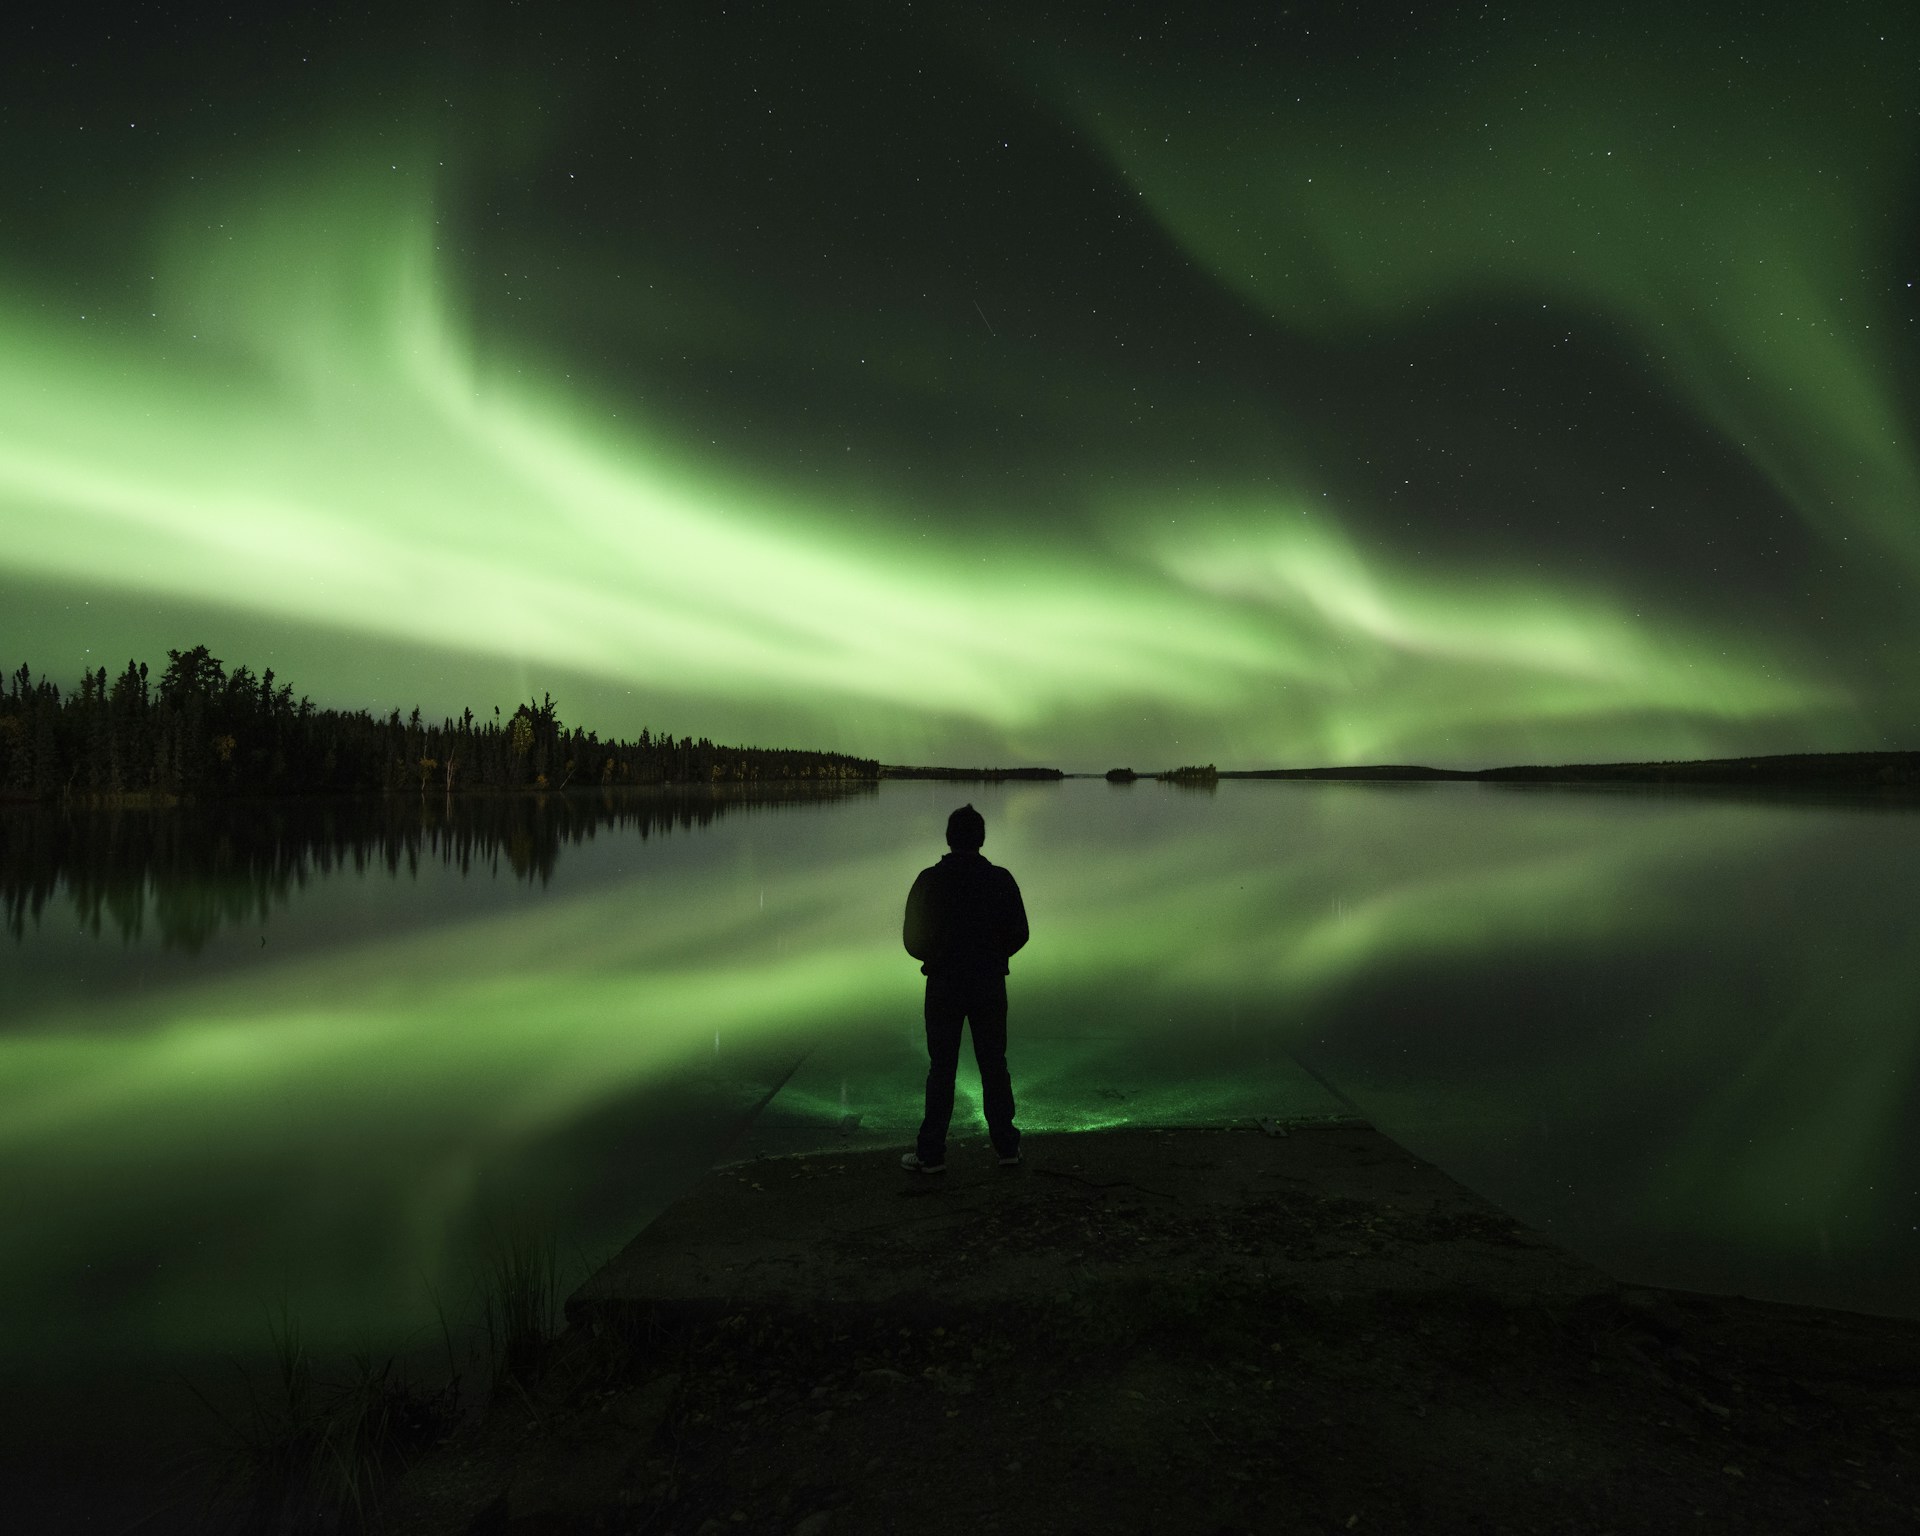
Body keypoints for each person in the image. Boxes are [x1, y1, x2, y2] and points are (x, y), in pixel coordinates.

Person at [899, 803, 1029, 1174]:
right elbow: (1020, 932)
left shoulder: (929, 879)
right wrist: (993, 955)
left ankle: (931, 1154)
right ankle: (1006, 1148)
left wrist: (936, 957)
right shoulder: (1000, 879)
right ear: (982, 839)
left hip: (943, 985)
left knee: (941, 1069)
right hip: (989, 984)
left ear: (949, 838)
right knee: (994, 1066)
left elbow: (912, 939)